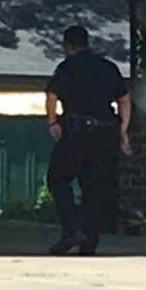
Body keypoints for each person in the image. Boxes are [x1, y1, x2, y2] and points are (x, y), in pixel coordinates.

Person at [46, 25, 132, 256]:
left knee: (58, 179)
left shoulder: (66, 67)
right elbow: (124, 100)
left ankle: (72, 229)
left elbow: (52, 95)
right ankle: (90, 241)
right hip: (105, 134)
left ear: (68, 46)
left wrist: (53, 122)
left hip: (76, 132)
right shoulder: (108, 68)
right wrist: (123, 131)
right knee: (94, 188)